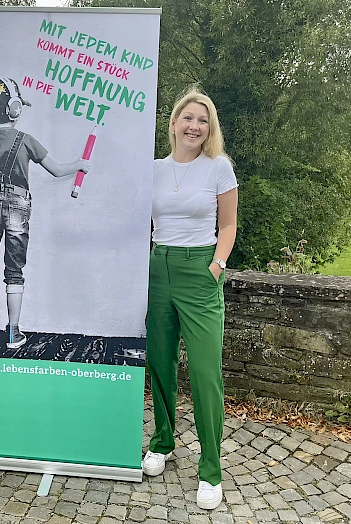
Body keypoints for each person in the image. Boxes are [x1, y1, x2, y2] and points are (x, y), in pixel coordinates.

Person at [142, 88, 238, 511]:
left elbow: (229, 225)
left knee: (203, 371)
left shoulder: (219, 168)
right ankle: (163, 441)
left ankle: (211, 468)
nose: (195, 126)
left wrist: (215, 266)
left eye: (203, 120)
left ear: (209, 128)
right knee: (159, 362)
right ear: (175, 123)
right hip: (157, 268)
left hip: (199, 271)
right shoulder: (153, 169)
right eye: (188, 118)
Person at [0, 77, 90, 350]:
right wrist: (80, 164)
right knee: (15, 271)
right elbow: (57, 169)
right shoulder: (26, 140)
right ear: (14, 108)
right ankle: (13, 332)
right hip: (19, 206)